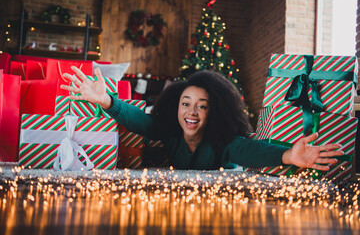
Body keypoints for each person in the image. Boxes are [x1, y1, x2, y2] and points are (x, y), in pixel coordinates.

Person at [61, 67, 343, 171]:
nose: (191, 112)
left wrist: (287, 156)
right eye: (186, 104)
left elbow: (249, 149)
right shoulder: (170, 131)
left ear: (215, 111)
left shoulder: (225, 143)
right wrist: (106, 100)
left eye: (202, 106)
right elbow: (140, 121)